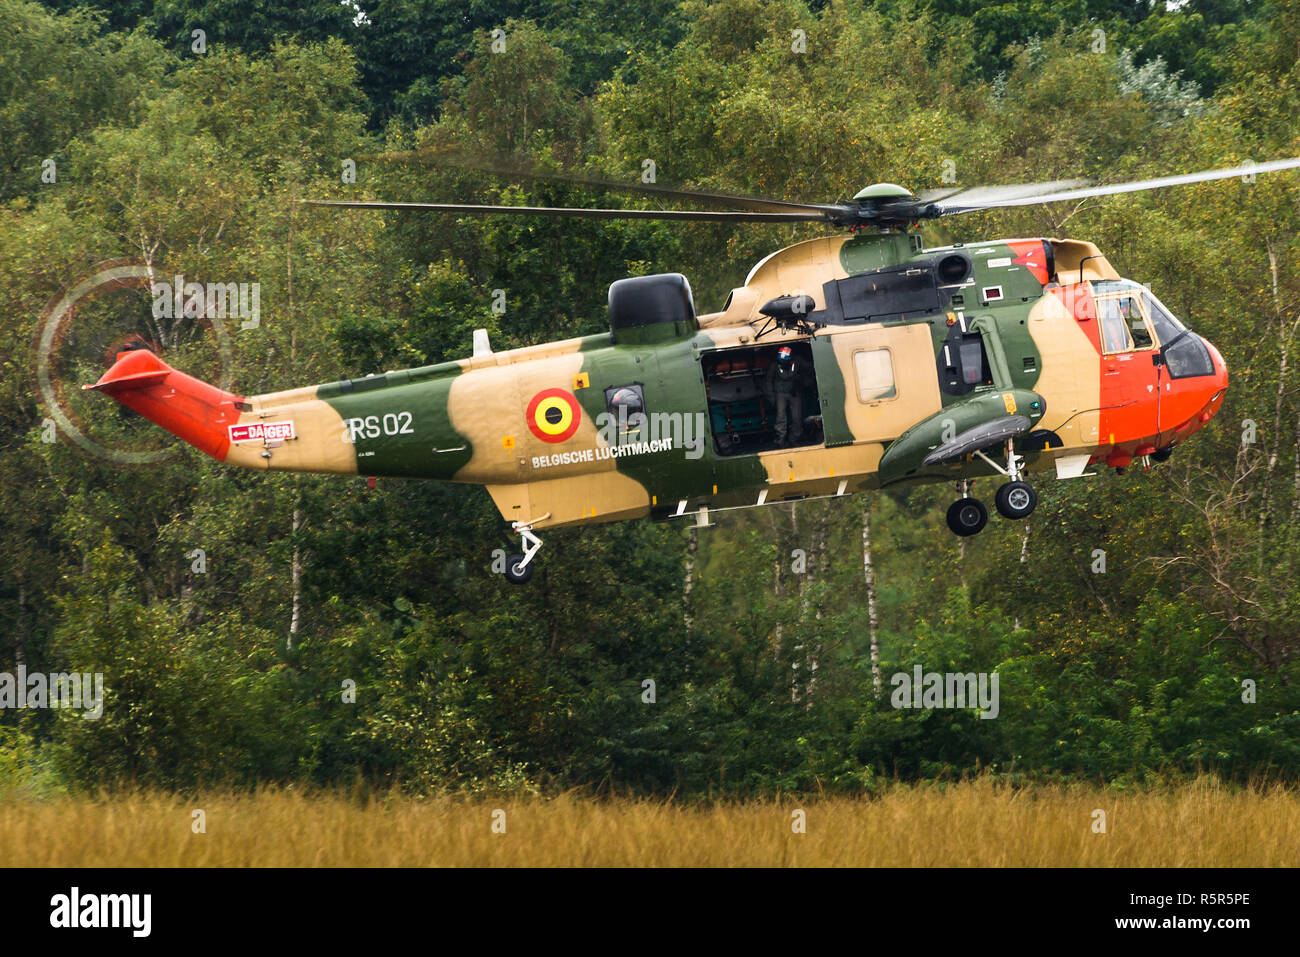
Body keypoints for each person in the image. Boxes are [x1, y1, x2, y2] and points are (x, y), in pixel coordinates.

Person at [765, 345, 805, 446]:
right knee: (780, 417)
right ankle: (780, 439)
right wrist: (771, 396)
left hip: (795, 392)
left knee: (797, 417)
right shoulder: (775, 364)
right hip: (780, 393)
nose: (783, 363)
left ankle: (794, 438)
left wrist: (803, 382)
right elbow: (768, 380)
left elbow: (809, 369)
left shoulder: (798, 361)